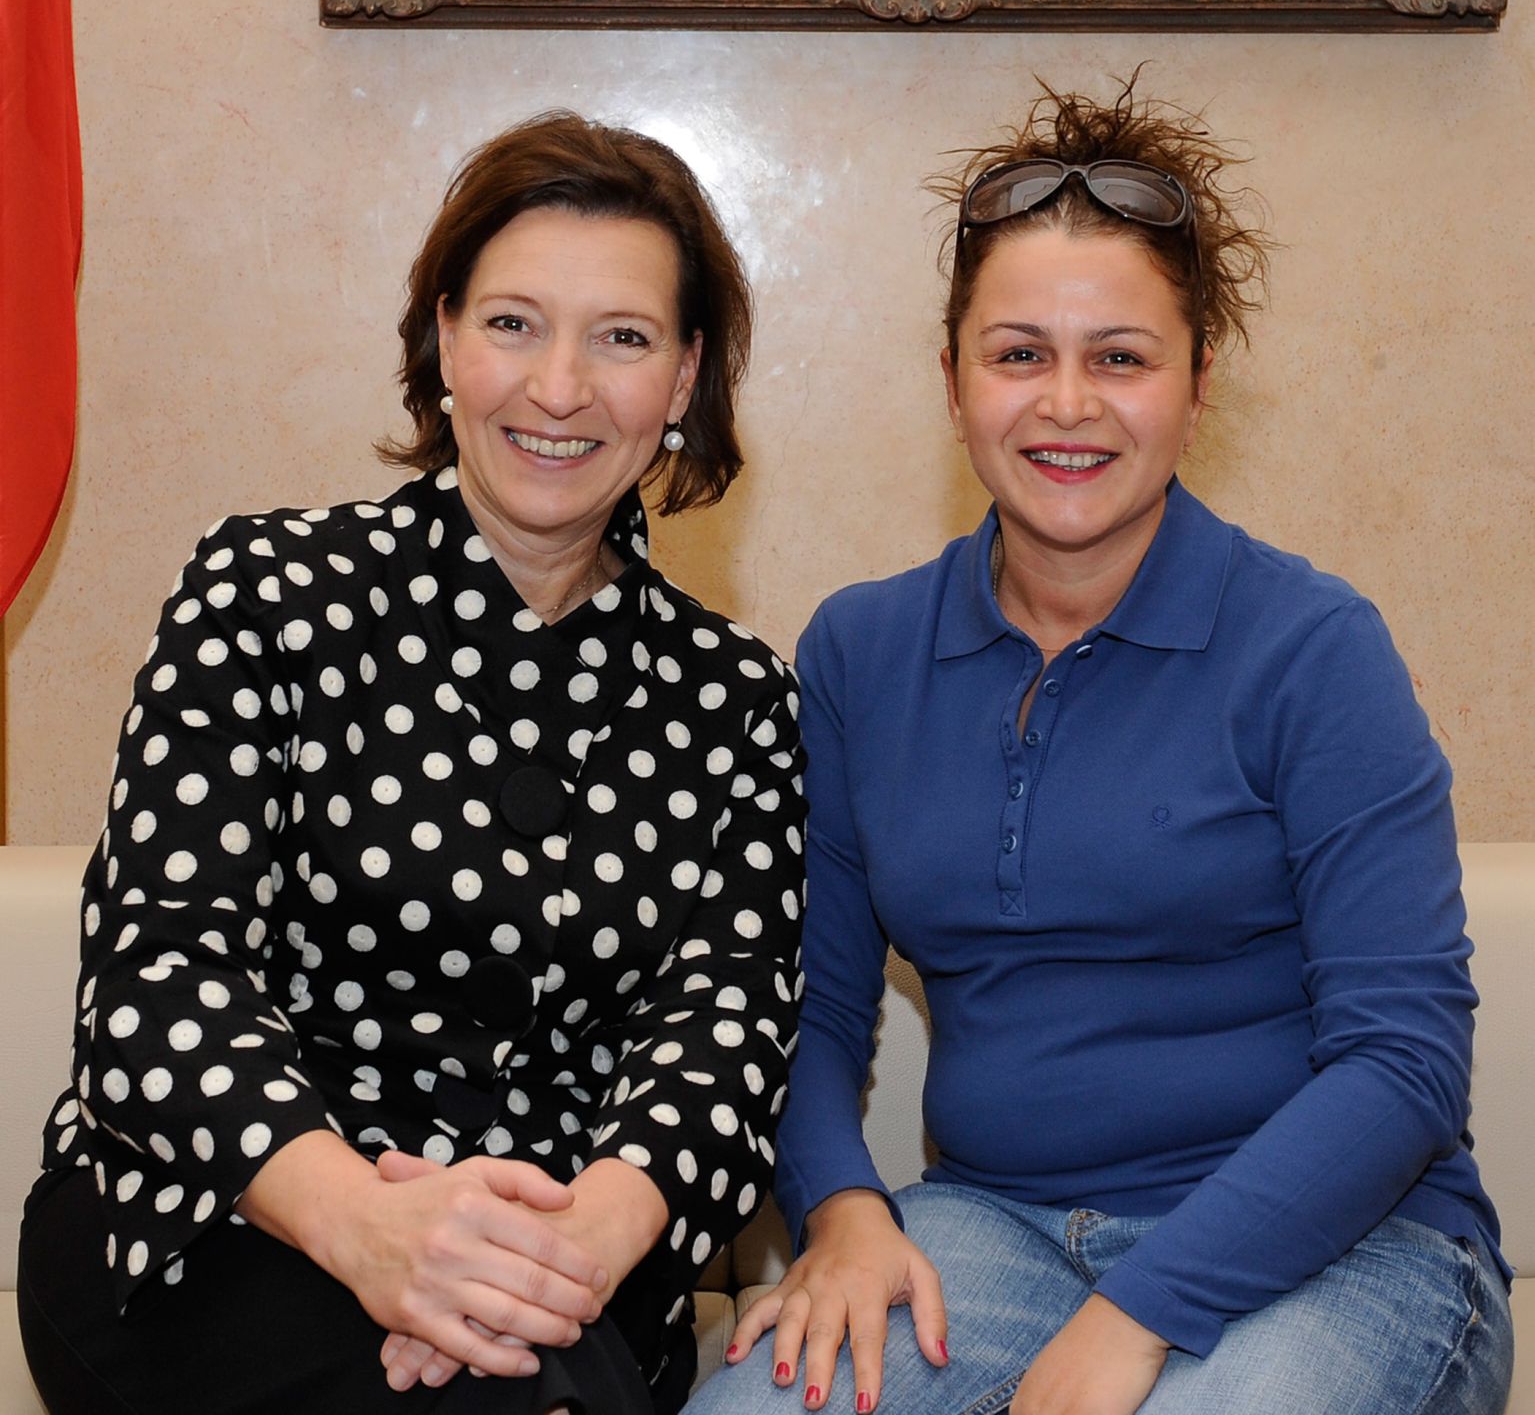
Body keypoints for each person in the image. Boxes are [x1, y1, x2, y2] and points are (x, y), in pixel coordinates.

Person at [688, 84, 1513, 1415]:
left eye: (1122, 358)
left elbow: (1405, 1057)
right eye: (1018, 354)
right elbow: (817, 1007)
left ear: (1198, 388)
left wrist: (1143, 1311)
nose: (1067, 404)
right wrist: (840, 1205)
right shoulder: (858, 653)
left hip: (1351, 1251)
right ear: (953, 384)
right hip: (994, 1228)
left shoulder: (1313, 647)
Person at [18, 112, 807, 1415]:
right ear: (443, 339)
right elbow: (158, 974)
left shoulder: (735, 699)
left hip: (561, 1264)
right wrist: (373, 1234)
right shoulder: (263, 592)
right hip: (225, 1219)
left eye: (621, 337)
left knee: (529, 1382)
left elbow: (725, 1036)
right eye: (512, 322)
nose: (559, 386)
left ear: (682, 381)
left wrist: (572, 1250)